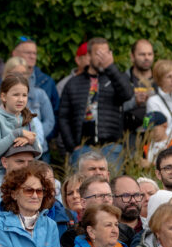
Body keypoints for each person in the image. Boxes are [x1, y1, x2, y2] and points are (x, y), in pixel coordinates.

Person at [57, 37, 134, 167]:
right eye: (99, 54)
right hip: (82, 147)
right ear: (89, 55)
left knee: (112, 185)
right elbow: (63, 117)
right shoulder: (73, 83)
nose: (103, 58)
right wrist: (72, 146)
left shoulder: (117, 78)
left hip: (112, 147)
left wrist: (110, 67)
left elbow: (127, 95)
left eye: (106, 53)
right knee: (82, 185)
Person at [0, 73, 41, 213]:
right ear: (3, 97)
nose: (20, 99)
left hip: (24, 169)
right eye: (15, 95)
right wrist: (17, 133)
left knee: (48, 188)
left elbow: (38, 152)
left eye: (24, 95)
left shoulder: (28, 118)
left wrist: (29, 140)